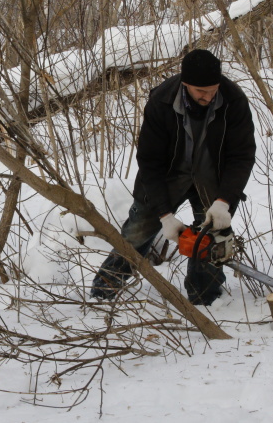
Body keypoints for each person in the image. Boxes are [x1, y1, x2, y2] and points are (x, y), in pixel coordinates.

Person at [91, 49, 256, 305]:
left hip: (211, 180)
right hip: (167, 178)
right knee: (137, 232)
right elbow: (150, 161)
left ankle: (206, 300)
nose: (209, 96)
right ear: (185, 83)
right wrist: (165, 215)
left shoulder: (234, 101)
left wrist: (225, 200)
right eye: (201, 91)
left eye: (213, 89)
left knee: (211, 240)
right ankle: (103, 291)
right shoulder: (161, 102)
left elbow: (242, 156)